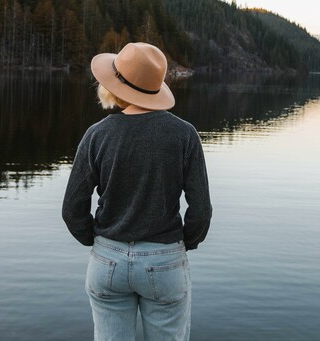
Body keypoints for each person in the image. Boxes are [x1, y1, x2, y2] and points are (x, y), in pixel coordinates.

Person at [62, 42, 212, 341]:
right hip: (164, 259)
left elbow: (72, 209)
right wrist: (183, 244)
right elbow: (201, 211)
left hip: (108, 261)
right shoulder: (185, 135)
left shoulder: (97, 135)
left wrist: (97, 240)